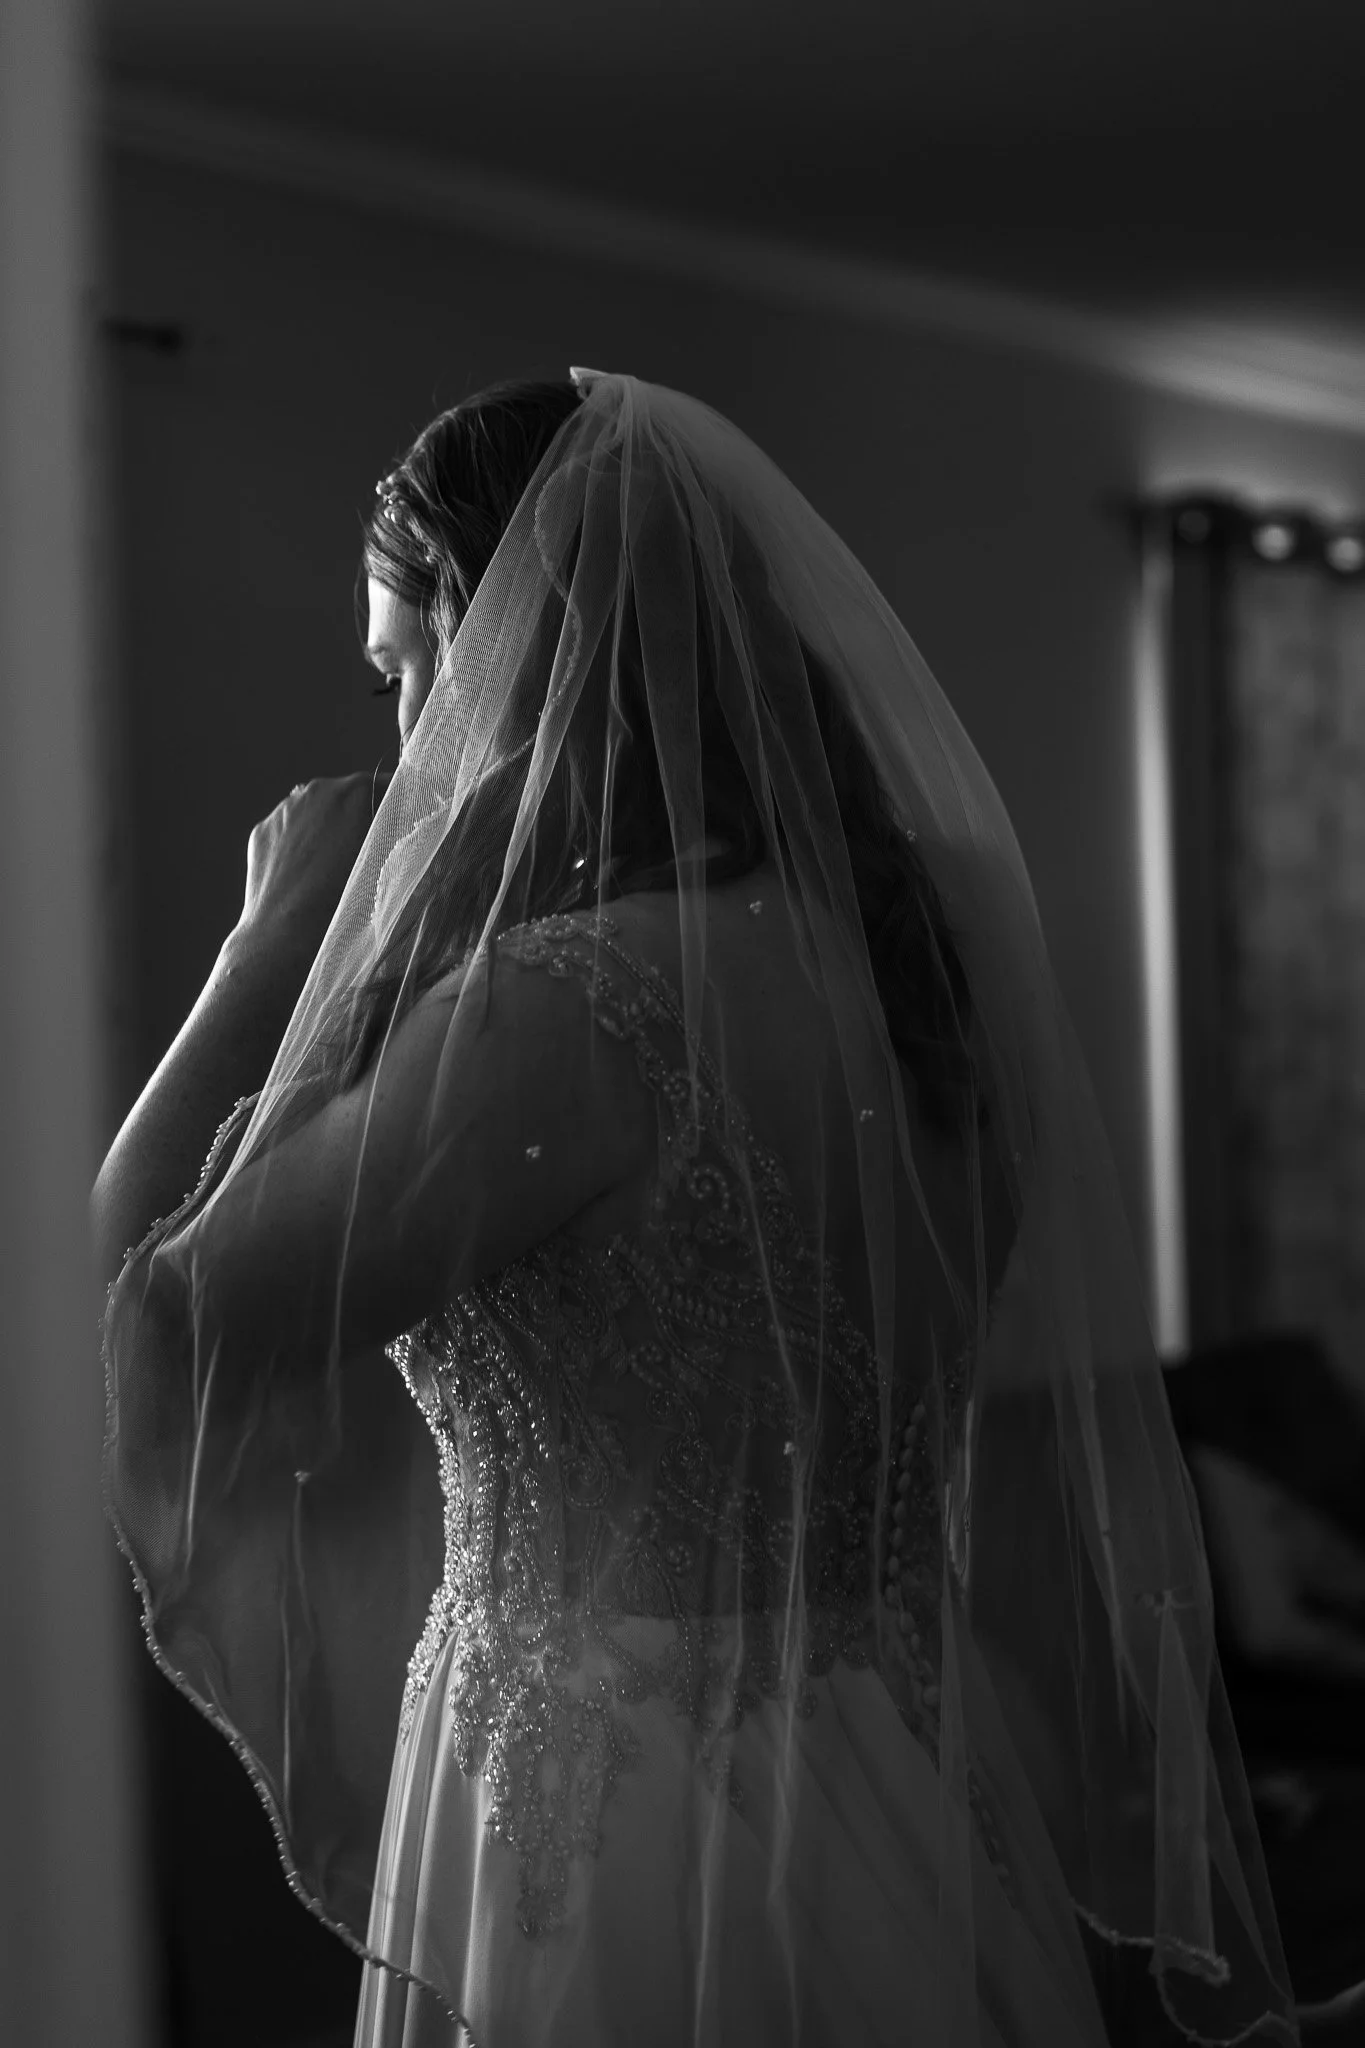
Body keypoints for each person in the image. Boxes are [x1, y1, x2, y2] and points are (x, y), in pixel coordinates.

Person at [95, 373, 1302, 2047]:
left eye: (402, 676)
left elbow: (140, 1330)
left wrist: (258, 963)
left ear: (505, 645)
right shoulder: (910, 971)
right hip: (901, 1761)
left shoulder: (565, 1012)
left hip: (624, 1828)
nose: (403, 746)